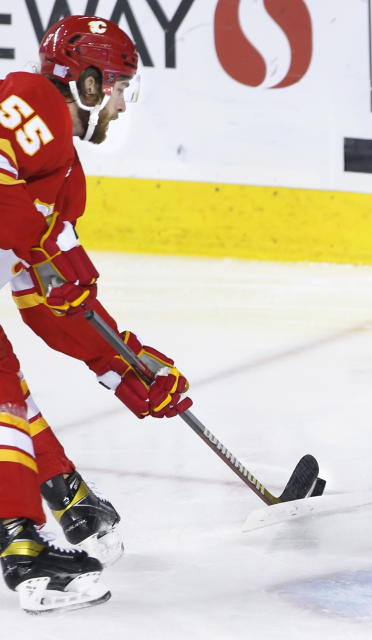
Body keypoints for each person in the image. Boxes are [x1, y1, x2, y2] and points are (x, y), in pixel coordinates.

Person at [0, 16, 192, 613]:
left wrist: (130, 367)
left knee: (8, 386)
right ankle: (22, 551)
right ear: (84, 83)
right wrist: (33, 239)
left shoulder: (62, 177)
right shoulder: (32, 101)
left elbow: (53, 307)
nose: (117, 103)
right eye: (114, 86)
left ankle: (63, 492)